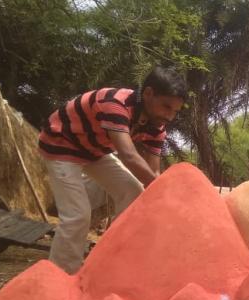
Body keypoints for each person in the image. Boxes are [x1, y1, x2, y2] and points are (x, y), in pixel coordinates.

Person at [38, 67, 187, 273]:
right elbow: (128, 155)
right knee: (78, 216)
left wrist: (161, 198)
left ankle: (111, 258)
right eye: (166, 107)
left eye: (175, 111)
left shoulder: (156, 126)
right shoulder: (116, 104)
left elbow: (153, 174)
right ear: (148, 93)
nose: (169, 116)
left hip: (95, 152)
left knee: (134, 192)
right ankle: (61, 275)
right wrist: (166, 193)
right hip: (61, 143)